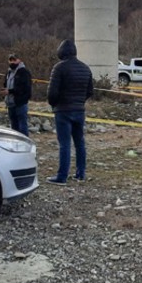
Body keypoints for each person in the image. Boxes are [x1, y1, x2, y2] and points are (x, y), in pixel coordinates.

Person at [46, 39, 94, 185]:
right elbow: (90, 91)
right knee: (80, 143)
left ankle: (62, 176)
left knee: (64, 144)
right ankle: (81, 174)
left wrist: (55, 104)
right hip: (79, 110)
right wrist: (80, 102)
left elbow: (52, 93)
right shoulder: (86, 68)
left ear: (61, 52)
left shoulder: (59, 68)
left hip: (63, 111)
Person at [2, 54, 32, 135]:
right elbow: (5, 84)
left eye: (14, 60)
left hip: (20, 103)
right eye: (10, 60)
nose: (12, 62)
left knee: (22, 127)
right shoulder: (8, 72)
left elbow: (25, 88)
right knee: (14, 128)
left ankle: (25, 145)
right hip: (10, 103)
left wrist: (10, 91)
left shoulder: (24, 72)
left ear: (19, 60)